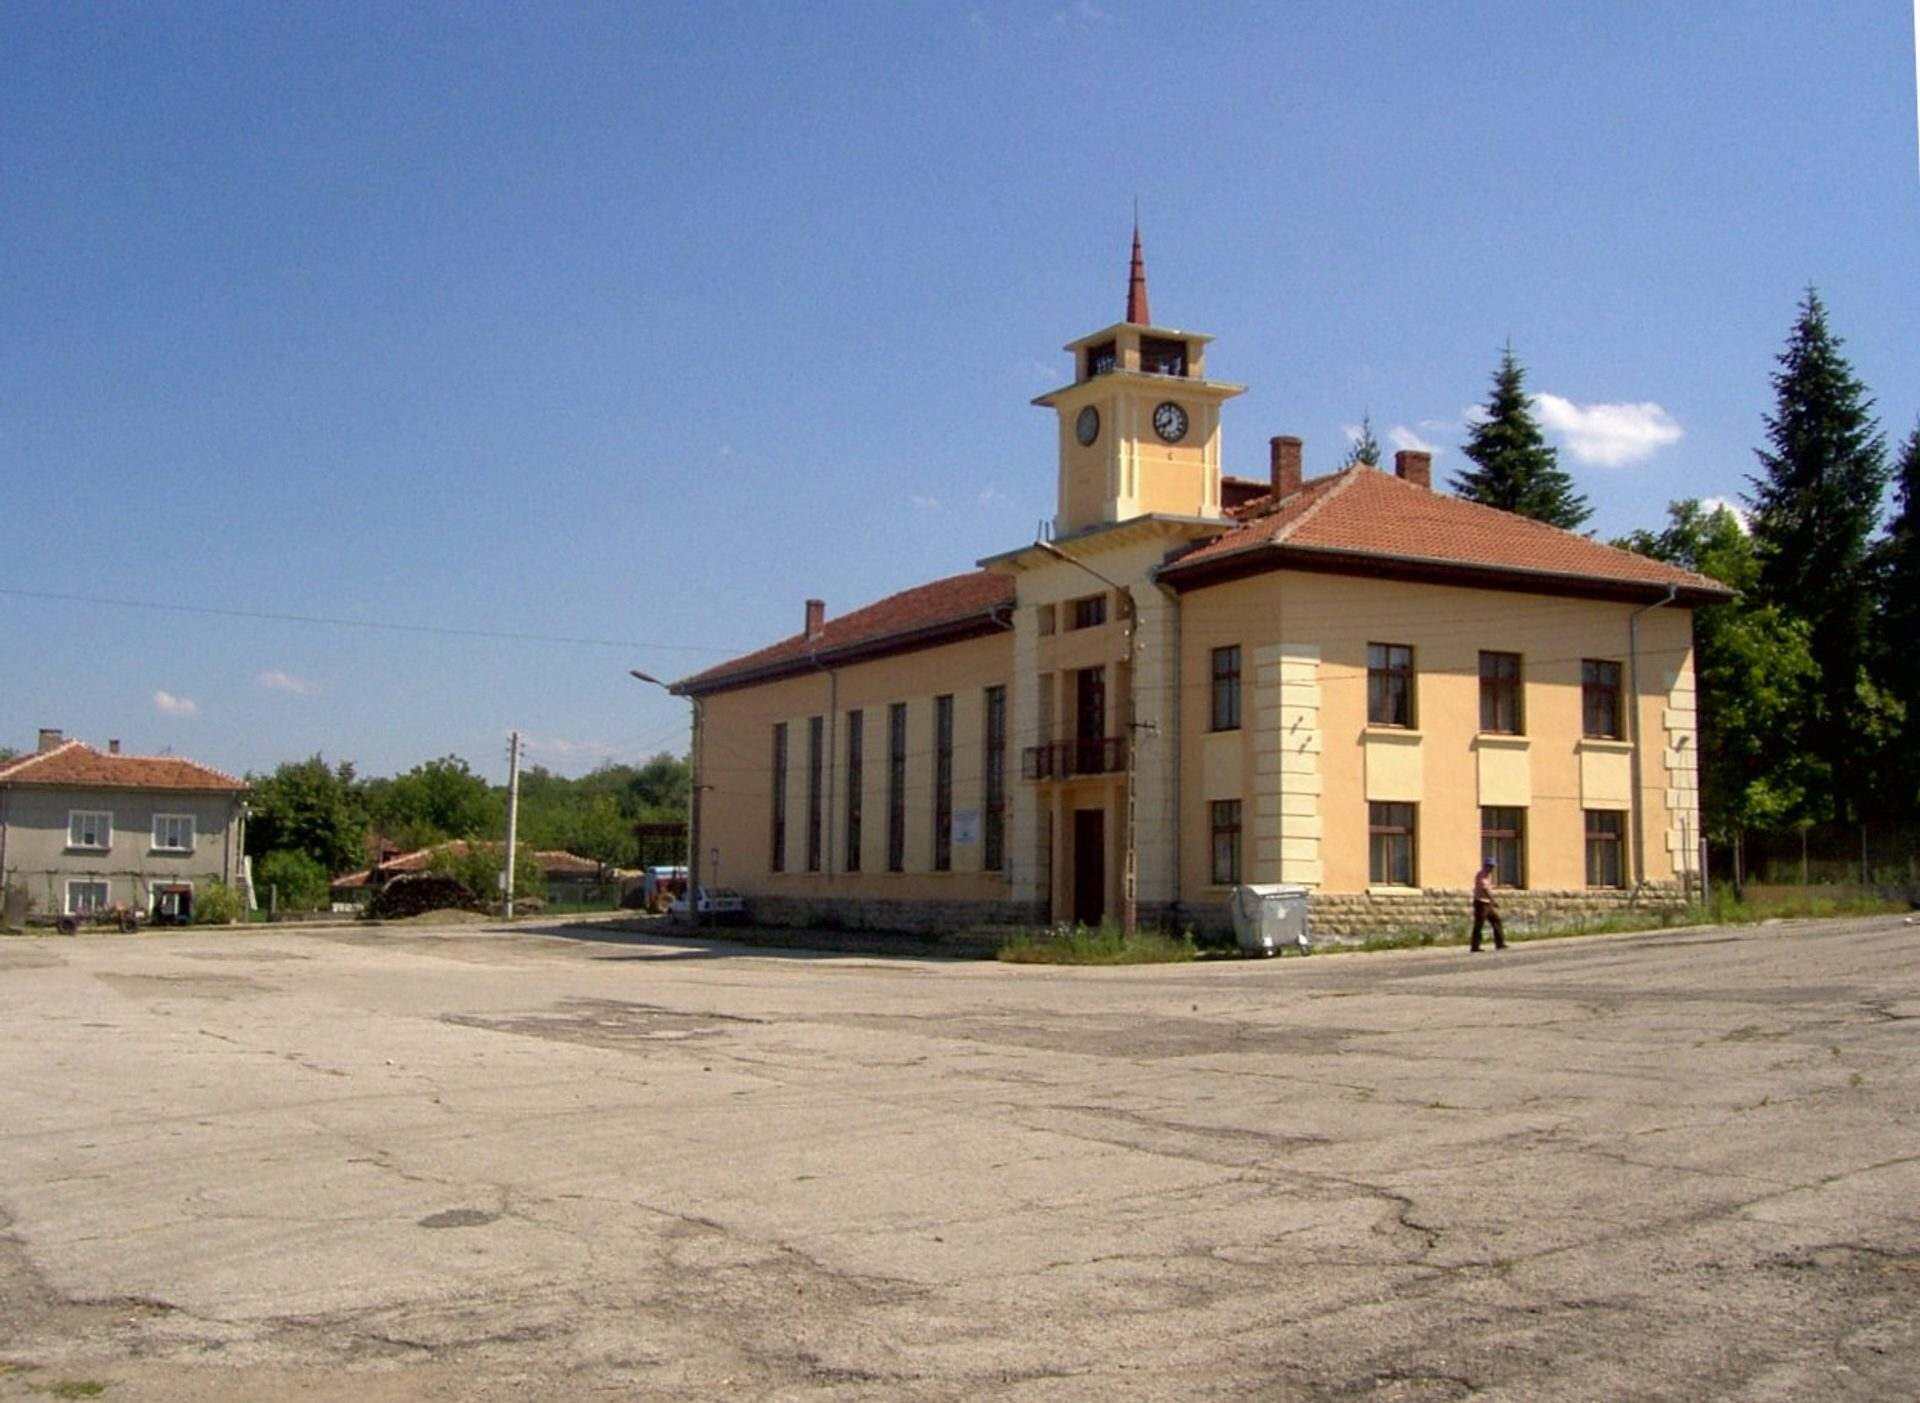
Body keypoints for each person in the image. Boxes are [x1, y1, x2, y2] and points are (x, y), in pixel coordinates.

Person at [1471, 860, 1506, 952]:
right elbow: (1485, 889)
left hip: (1487, 903)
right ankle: (1475, 946)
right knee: (1479, 924)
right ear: (1485, 866)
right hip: (1481, 903)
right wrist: (1493, 901)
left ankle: (1500, 943)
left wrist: (1491, 902)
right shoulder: (1481, 875)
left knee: (1496, 920)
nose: (1492, 869)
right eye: (1490, 866)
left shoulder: (1488, 875)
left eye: (1492, 867)